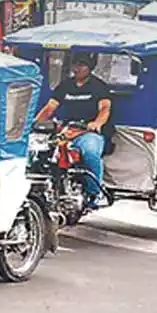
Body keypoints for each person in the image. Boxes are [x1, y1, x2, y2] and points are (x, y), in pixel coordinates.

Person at [34, 53, 113, 209]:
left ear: (89, 68)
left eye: (81, 65)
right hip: (67, 130)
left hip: (89, 133)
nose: (77, 68)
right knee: (41, 152)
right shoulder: (65, 85)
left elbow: (105, 108)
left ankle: (95, 194)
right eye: (75, 65)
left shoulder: (99, 86)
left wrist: (96, 123)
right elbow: (50, 107)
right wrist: (34, 123)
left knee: (90, 152)